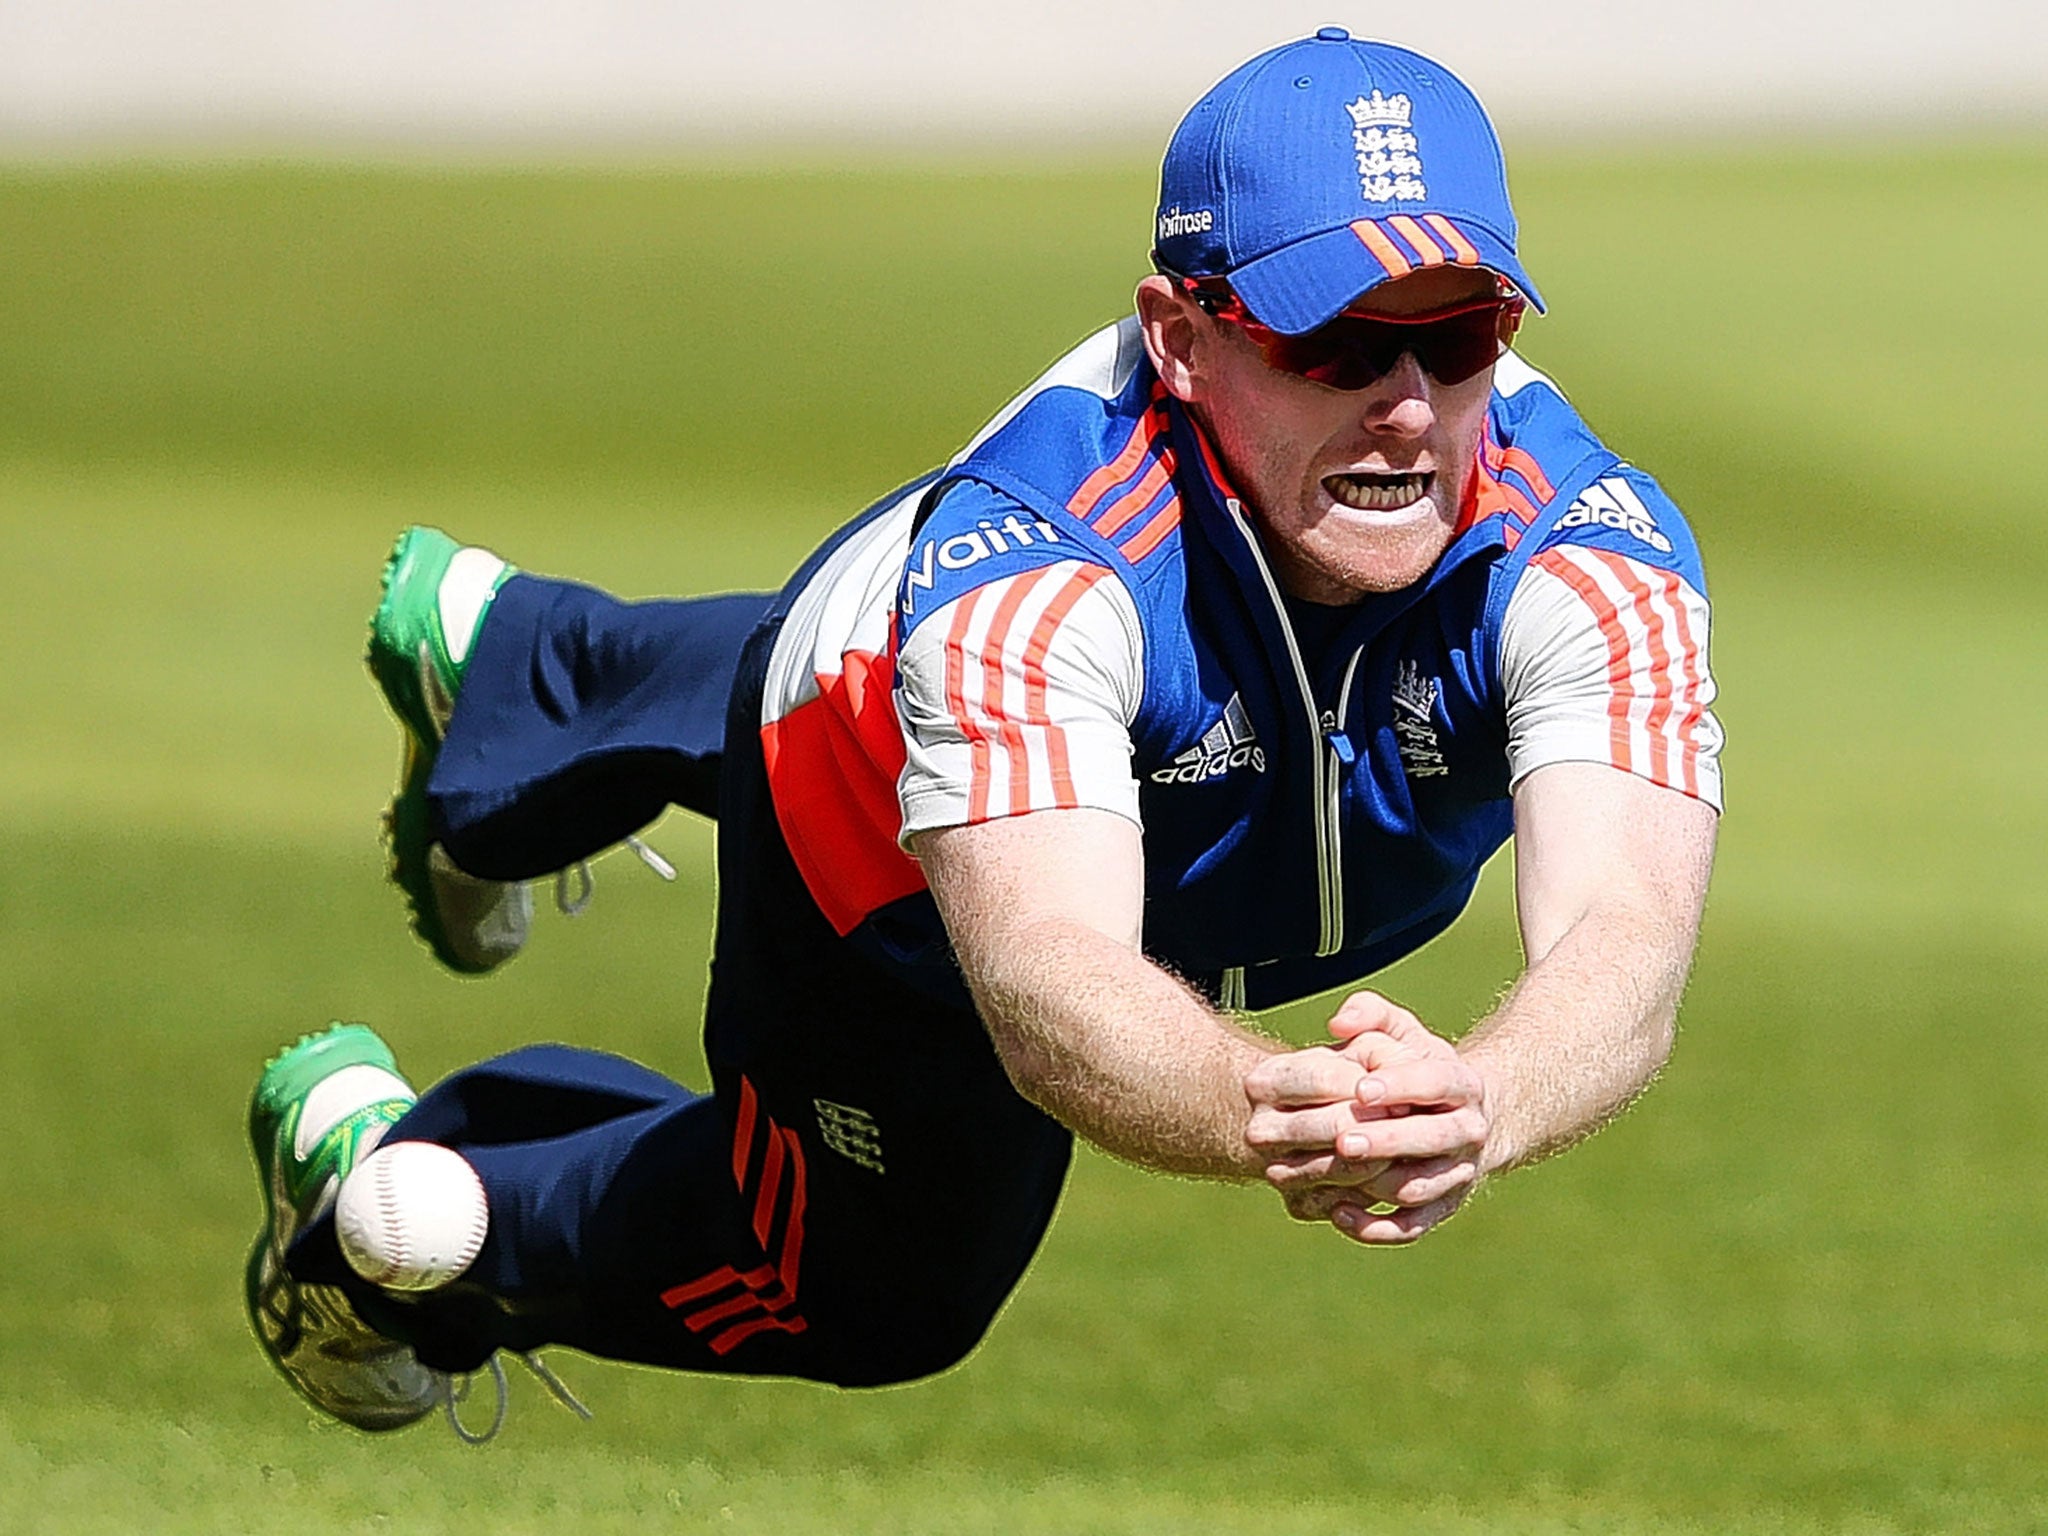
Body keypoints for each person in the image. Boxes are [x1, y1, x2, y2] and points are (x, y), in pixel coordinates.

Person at [246, 28, 1721, 1436]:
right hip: (882, 841)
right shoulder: (1034, 573)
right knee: (873, 1294)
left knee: (1158, 735)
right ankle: (400, 1212)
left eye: (1457, 334)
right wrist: (1265, 1105)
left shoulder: (1593, 550)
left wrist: (1490, 1099)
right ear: (1182, 337)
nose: (1407, 408)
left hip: (1145, 780)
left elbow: (1626, 925)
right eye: (1335, 344)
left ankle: (516, 669)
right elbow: (1044, 982)